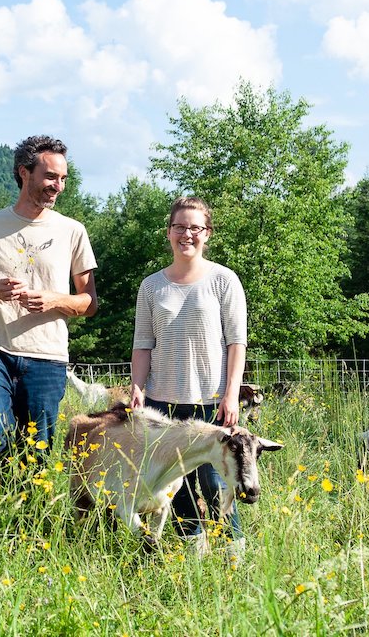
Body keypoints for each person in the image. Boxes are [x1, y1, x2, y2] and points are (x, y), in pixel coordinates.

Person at [0, 135, 97, 474]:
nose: (58, 186)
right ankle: (6, 485)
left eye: (63, 178)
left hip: (48, 358)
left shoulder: (72, 231)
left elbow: (89, 302)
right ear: (25, 172)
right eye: (51, 176)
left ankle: (19, 515)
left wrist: (54, 299)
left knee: (36, 455)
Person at [129, 195, 248, 553]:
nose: (187, 234)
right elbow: (142, 344)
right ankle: (193, 551)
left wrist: (231, 394)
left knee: (215, 480)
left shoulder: (224, 280)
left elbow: (236, 343)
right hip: (162, 403)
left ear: (207, 233)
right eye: (179, 227)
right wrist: (137, 388)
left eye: (195, 228)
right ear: (168, 232)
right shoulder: (151, 286)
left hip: (211, 402)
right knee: (172, 485)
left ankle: (233, 549)